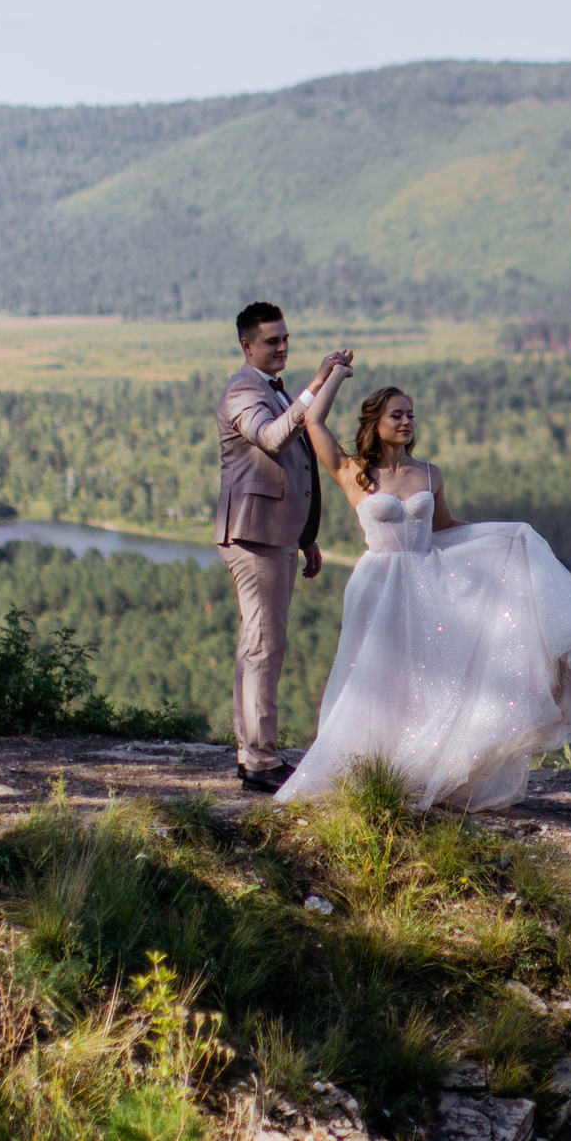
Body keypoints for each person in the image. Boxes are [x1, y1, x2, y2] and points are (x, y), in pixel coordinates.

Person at [275, 378, 571, 810]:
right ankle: (367, 770)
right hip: (377, 585)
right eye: (397, 415)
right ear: (374, 423)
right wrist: (334, 374)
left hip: (426, 581)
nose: (407, 422)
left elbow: (444, 528)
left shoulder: (429, 473)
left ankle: (418, 771)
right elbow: (313, 420)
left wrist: (505, 536)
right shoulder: (353, 471)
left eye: (411, 415)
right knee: (375, 678)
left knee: (425, 680)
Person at [214, 301, 354, 793]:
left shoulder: (272, 389)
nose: (282, 347)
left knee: (262, 644)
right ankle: (259, 761)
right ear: (246, 346)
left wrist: (306, 536)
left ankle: (255, 754)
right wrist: (317, 382)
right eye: (272, 341)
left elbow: (297, 460)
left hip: (277, 535)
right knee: (262, 646)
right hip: (253, 536)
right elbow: (273, 439)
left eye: (285, 338)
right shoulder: (241, 392)